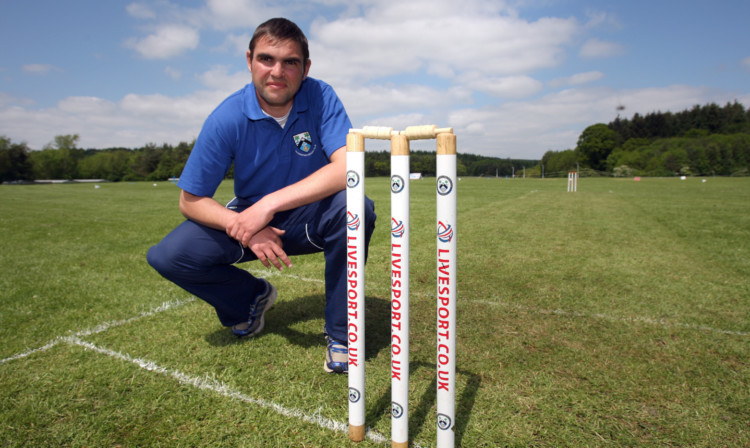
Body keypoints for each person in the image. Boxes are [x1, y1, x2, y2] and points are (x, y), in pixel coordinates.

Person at [147, 18, 376, 374]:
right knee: (170, 256)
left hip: (310, 216)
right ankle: (249, 299)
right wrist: (247, 224)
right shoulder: (226, 117)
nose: (277, 72)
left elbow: (348, 167)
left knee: (356, 208)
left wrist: (267, 206)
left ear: (306, 68)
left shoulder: (320, 96)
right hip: (251, 219)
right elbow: (189, 200)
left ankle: (342, 335)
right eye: (267, 59)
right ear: (250, 60)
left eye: (290, 62)